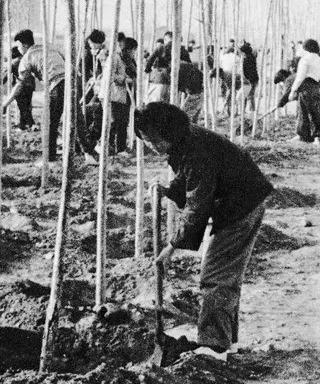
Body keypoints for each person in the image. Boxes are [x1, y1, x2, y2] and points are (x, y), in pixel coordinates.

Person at [135, 102, 273, 361]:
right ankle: (223, 341)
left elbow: (198, 204)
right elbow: (190, 179)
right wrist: (169, 190)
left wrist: (172, 246)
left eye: (155, 140)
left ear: (169, 134)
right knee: (224, 275)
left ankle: (214, 347)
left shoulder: (195, 149)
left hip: (242, 205)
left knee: (216, 274)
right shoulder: (185, 140)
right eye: (146, 140)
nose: (151, 146)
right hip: (237, 201)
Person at [2, 29, 98, 166]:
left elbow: (20, 85)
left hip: (57, 85)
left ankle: (50, 158)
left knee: (50, 122)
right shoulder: (49, 46)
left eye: (18, 46)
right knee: (77, 119)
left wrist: (6, 103)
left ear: (24, 45)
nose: (18, 49)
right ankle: (88, 155)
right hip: (71, 81)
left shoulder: (26, 58)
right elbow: (68, 62)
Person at [288, 39, 320, 145]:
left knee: (303, 111)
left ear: (305, 48)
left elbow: (300, 76)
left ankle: (303, 135)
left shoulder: (305, 59)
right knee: (315, 111)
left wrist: (293, 90)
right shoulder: (318, 58)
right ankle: (316, 138)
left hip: (306, 86)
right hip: (316, 86)